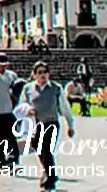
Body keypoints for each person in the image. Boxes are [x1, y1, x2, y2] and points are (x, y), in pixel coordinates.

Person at [20, 61, 75, 191]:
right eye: (39, 73)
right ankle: (51, 174)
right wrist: (26, 110)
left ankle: (48, 182)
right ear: (34, 75)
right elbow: (22, 104)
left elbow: (65, 108)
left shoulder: (56, 88)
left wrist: (70, 125)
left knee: (47, 150)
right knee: (39, 149)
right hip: (36, 125)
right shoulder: (28, 89)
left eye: (45, 72)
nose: (43, 75)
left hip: (51, 124)